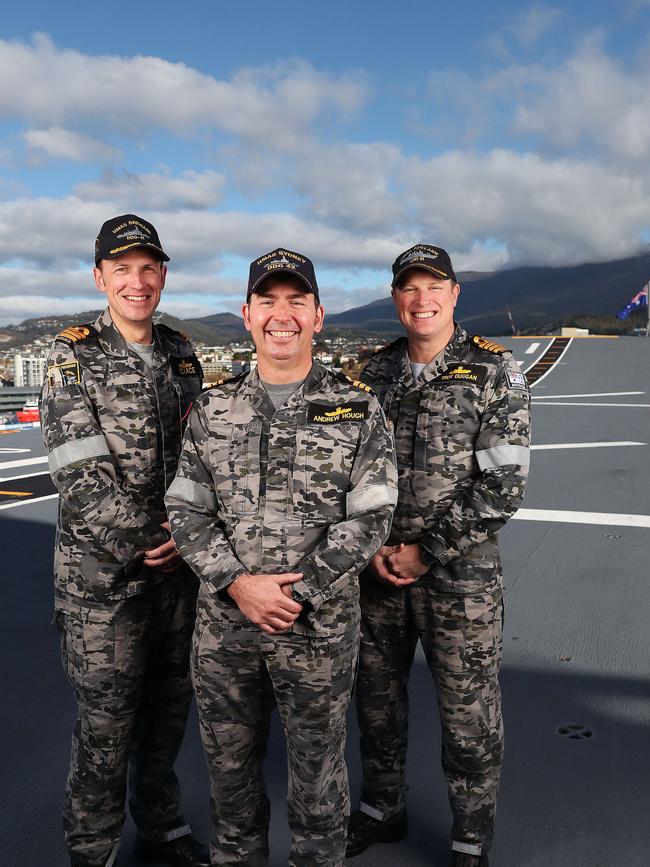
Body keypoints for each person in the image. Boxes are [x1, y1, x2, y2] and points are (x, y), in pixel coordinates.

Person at [165, 247, 397, 866]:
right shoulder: (212, 410)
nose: (281, 314)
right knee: (229, 773)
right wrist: (239, 584)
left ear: (319, 315)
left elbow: (371, 514)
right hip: (225, 628)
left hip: (316, 629)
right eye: (268, 300)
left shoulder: (357, 409)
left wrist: (297, 593)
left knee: (319, 776)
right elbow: (186, 509)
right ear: (246, 313)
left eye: (297, 300)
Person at [347, 244, 531, 867]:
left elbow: (503, 484)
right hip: (376, 575)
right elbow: (346, 476)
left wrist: (425, 552)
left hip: (460, 577)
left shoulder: (494, 372)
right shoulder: (370, 375)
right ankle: (382, 810)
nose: (421, 299)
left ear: (455, 295)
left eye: (435, 287)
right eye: (409, 288)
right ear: (396, 298)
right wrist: (372, 548)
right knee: (375, 702)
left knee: (468, 712)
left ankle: (470, 838)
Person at [40, 214, 209, 867]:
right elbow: (77, 470)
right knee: (106, 722)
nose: (136, 281)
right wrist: (153, 536)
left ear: (161, 273)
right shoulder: (73, 352)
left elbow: (202, 455)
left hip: (177, 576)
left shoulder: (180, 350)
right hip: (101, 582)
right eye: (122, 269)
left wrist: (190, 535)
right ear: (100, 277)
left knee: (170, 707)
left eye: (148, 267)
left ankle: (160, 825)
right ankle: (92, 844)